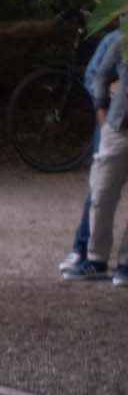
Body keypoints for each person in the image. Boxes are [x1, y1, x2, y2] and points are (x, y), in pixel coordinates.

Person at [62, 26, 128, 287]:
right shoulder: (123, 39)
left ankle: (125, 264)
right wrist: (103, 116)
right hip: (118, 127)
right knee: (101, 195)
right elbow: (100, 75)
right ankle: (95, 259)